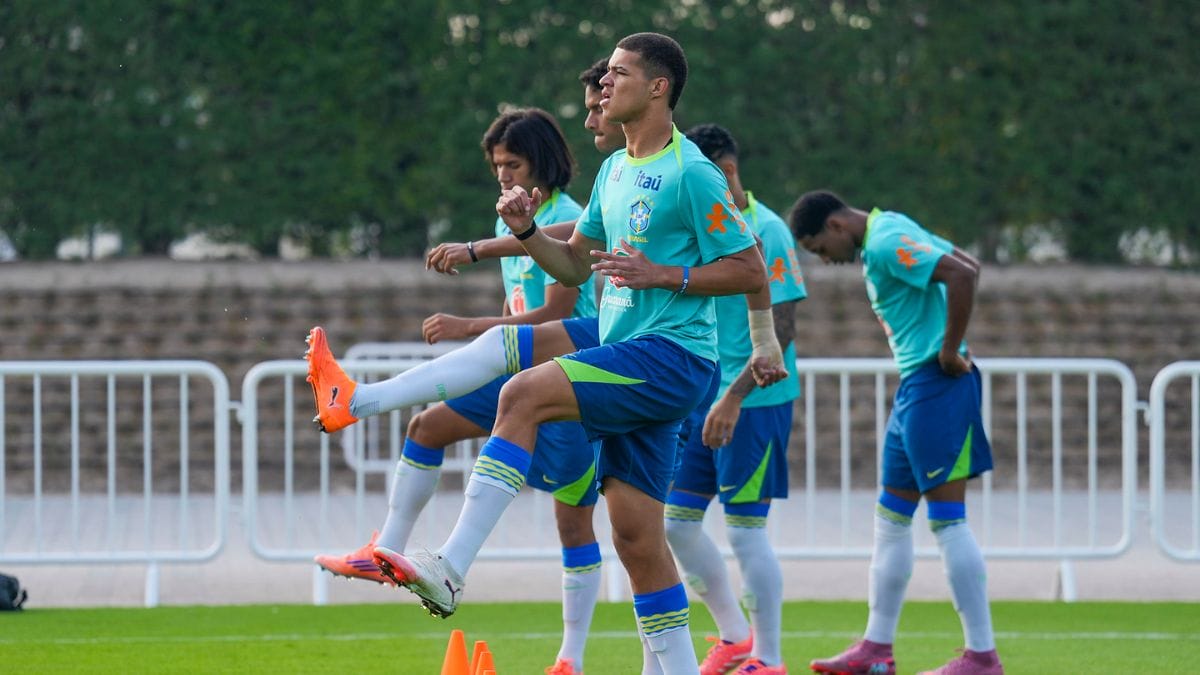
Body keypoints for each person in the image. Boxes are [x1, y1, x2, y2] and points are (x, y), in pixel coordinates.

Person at [328, 32, 783, 675]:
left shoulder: (691, 172)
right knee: (635, 537)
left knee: (522, 391)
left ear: (658, 88)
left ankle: (451, 568)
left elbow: (749, 269)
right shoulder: (616, 170)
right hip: (632, 354)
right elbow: (571, 268)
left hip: (674, 357)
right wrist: (525, 231)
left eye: (619, 74)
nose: (603, 86)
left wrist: (666, 276)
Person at [311, 106, 603, 675]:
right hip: (520, 371)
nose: (502, 175)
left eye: (512, 163)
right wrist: (484, 343)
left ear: (541, 163)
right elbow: (514, 308)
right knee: (428, 426)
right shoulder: (507, 220)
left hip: (570, 374)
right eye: (496, 165)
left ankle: (570, 657)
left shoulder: (568, 217)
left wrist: (469, 330)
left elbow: (555, 311)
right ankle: (384, 551)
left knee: (574, 520)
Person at [789, 190, 1003, 675]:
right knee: (890, 519)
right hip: (917, 387)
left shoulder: (885, 241)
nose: (826, 260)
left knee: (948, 520)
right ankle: (876, 649)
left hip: (938, 382)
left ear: (838, 226)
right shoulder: (891, 226)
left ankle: (982, 657)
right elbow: (964, 259)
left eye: (821, 249)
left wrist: (950, 350)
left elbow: (963, 273)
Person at [664, 124, 806, 675]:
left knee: (746, 530)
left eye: (714, 176)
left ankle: (769, 659)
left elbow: (784, 330)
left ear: (728, 170)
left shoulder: (766, 230)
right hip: (704, 398)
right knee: (676, 524)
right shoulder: (705, 229)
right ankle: (734, 634)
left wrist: (733, 397)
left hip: (756, 402)